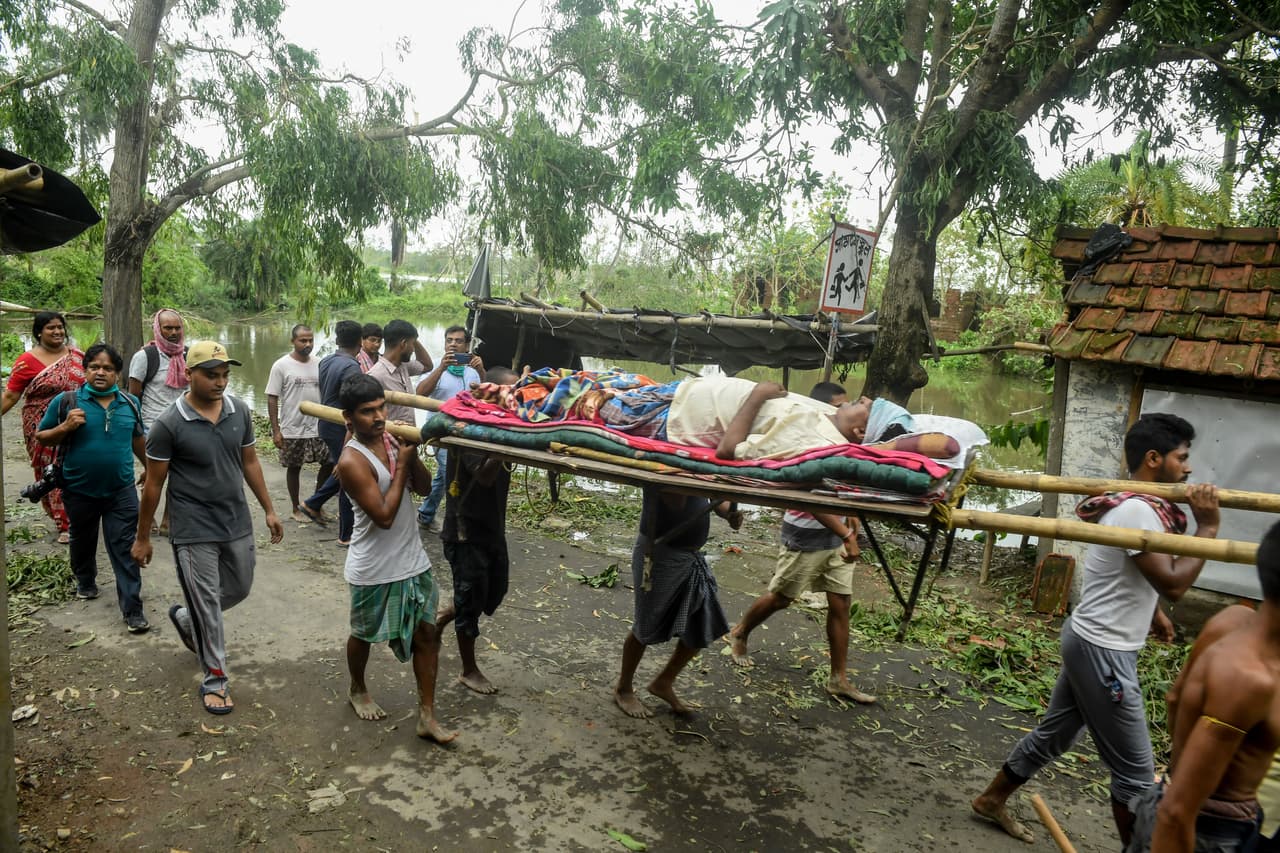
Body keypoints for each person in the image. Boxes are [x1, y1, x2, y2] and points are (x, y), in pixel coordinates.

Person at [973, 413, 1221, 846]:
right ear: (1153, 459)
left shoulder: (1134, 503)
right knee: (1136, 775)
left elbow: (1131, 576)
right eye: (1182, 458)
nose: (1188, 468)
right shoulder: (1136, 510)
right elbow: (1176, 584)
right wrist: (1210, 528)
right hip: (1103, 650)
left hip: (1090, 637)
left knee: (1056, 733)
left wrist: (1152, 613)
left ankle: (992, 799)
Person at [131, 340, 284, 716]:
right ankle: (215, 679)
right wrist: (143, 535)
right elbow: (153, 483)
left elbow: (249, 462)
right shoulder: (169, 423)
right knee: (209, 607)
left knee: (240, 587)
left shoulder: (240, 411)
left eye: (225, 375)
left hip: (235, 520)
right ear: (190, 374)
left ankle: (187, 617)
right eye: (212, 375)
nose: (221, 382)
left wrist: (268, 508)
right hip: (193, 527)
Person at [1125, 521, 1280, 852]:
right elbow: (1176, 814)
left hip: (1184, 804)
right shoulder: (1250, 678)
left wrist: (1183, 765)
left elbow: (1174, 698)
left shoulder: (1230, 622)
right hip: (1209, 831)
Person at [727, 382, 876, 705]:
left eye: (847, 404)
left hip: (837, 535)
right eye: (840, 405)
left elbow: (848, 492)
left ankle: (839, 678)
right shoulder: (811, 439)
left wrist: (853, 525)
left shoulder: (844, 441)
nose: (843, 408)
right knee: (782, 597)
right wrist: (847, 535)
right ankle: (740, 631)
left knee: (841, 604)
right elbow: (809, 499)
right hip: (807, 532)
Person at [335, 373, 455, 743]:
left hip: (412, 560)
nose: (378, 417)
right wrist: (401, 463)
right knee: (364, 634)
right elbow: (384, 517)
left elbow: (421, 486)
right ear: (348, 417)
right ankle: (357, 687)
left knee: (427, 634)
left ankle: (427, 716)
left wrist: (410, 454)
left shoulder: (391, 439)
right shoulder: (351, 461)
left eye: (381, 408)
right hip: (373, 566)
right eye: (367, 411)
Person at [35, 344, 149, 632]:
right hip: (79, 489)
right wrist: (65, 428)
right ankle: (85, 581)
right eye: (94, 367)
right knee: (82, 539)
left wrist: (150, 468)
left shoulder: (130, 404)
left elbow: (138, 440)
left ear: (118, 374)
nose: (100, 372)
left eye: (107, 368)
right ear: (85, 371)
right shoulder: (67, 402)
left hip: (121, 490)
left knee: (125, 548)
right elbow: (42, 437)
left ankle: (133, 609)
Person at [598, 375, 956, 461]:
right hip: (682, 394)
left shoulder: (816, 441)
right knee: (607, 385)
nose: (860, 398)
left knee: (586, 402)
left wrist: (757, 395)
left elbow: (729, 450)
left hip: (674, 418)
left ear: (860, 430)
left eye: (866, 404)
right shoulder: (830, 416)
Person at [614, 486, 744, 718]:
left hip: (690, 558)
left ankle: (664, 682)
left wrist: (728, 511)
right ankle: (623, 689)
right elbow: (676, 500)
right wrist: (704, 480)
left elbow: (714, 500)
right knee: (645, 625)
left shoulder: (696, 467)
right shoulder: (666, 463)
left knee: (703, 620)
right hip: (659, 555)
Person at [439, 364, 517, 694]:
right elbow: (484, 476)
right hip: (465, 532)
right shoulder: (472, 428)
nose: (515, 399)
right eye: (511, 392)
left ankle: (444, 616)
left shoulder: (504, 425)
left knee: (494, 593)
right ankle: (468, 670)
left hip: (492, 527)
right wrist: (509, 436)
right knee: (472, 604)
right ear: (491, 392)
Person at [2, 310, 85, 543]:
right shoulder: (26, 361)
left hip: (76, 420)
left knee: (75, 466)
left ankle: (77, 516)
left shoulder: (78, 356)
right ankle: (64, 523)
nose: (57, 331)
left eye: (60, 327)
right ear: (39, 332)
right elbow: (10, 396)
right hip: (41, 424)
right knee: (51, 471)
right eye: (51, 328)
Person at [416, 324, 486, 534]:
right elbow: (420, 393)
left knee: (444, 476)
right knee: (453, 473)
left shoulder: (473, 369)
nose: (453, 344)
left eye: (458, 341)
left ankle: (426, 514)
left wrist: (482, 371)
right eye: (449, 340)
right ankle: (456, 523)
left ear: (467, 345)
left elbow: (488, 393)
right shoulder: (435, 365)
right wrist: (440, 370)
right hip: (440, 431)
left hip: (465, 431)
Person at [298, 320, 364, 544]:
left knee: (341, 470)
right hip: (340, 426)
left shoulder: (326, 361)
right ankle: (346, 534)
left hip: (325, 422)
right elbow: (351, 400)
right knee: (347, 475)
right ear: (360, 342)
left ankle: (313, 503)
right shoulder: (352, 367)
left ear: (337, 340)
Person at [127, 308, 188, 537]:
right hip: (154, 426)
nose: (173, 332)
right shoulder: (145, 357)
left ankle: (168, 520)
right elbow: (134, 397)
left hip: (184, 425)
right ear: (158, 329)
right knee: (155, 476)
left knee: (179, 477)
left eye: (177, 328)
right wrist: (136, 432)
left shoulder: (188, 355)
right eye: (168, 328)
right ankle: (147, 517)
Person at [266, 324, 332, 524]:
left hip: (319, 427)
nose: (308, 344)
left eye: (310, 340)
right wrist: (276, 430)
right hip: (293, 427)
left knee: (329, 463)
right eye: (303, 340)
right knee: (294, 467)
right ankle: (296, 508)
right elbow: (272, 398)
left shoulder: (320, 364)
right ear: (293, 341)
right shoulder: (281, 365)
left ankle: (315, 504)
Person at [366, 319, 432, 425]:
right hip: (389, 438)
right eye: (412, 345)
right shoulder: (375, 376)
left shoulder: (404, 366)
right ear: (404, 344)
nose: (413, 350)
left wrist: (413, 338)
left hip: (408, 438)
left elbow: (427, 365)